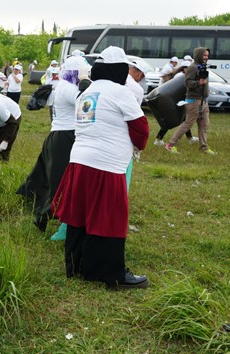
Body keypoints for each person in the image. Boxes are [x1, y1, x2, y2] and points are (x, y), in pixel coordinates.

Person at [51, 46, 150, 290]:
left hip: (79, 161)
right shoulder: (121, 92)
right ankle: (110, 274)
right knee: (108, 217)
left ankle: (75, 266)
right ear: (120, 70)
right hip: (107, 165)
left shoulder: (87, 90)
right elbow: (141, 129)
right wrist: (137, 145)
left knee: (79, 216)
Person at [17, 56, 91, 233]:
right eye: (83, 73)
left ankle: (37, 207)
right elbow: (86, 104)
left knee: (47, 176)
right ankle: (44, 215)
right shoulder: (68, 89)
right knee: (61, 181)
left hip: (60, 136)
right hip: (64, 137)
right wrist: (85, 82)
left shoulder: (65, 86)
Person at [165, 47, 217, 155]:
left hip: (203, 101)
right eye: (204, 55)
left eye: (207, 55)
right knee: (188, 124)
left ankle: (204, 147)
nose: (206, 57)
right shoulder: (192, 68)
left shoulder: (202, 67)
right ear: (198, 55)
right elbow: (187, 83)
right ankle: (170, 145)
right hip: (193, 101)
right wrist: (199, 83)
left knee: (204, 124)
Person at [153, 60, 197, 145]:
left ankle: (190, 138)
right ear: (184, 68)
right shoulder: (180, 77)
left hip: (177, 101)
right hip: (174, 102)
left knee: (185, 120)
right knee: (170, 121)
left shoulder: (181, 76)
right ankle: (158, 139)